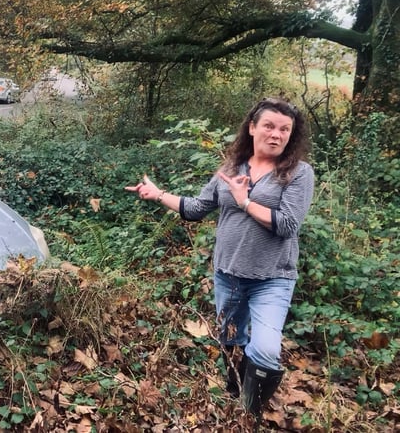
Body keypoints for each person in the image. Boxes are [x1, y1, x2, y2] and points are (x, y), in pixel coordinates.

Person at [125, 97, 314, 423]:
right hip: (228, 274)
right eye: (269, 126)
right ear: (253, 127)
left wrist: (245, 202)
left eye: (285, 129)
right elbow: (197, 208)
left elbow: (287, 224)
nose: (276, 134)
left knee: (266, 350)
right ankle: (234, 388)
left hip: (272, 278)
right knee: (230, 339)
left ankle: (247, 417)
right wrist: (157, 194)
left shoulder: (298, 173)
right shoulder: (229, 170)